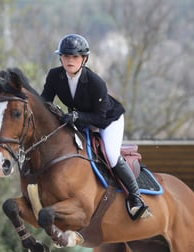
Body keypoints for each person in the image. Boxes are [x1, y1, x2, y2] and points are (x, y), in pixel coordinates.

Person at [40, 33, 149, 220]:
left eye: (74, 57)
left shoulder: (96, 82)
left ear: (84, 59)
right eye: (66, 56)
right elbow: (44, 102)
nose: (69, 61)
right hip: (80, 120)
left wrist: (75, 116)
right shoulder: (54, 76)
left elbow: (99, 118)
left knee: (112, 156)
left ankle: (137, 199)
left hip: (108, 120)